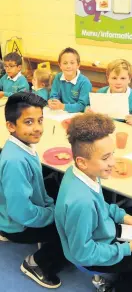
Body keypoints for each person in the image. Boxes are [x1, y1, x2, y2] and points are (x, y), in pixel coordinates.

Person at [55, 113, 132, 292]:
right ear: (82, 162)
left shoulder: (81, 173)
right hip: (96, 252)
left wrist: (124, 216)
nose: (113, 162)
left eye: (112, 154)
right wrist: (128, 249)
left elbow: (101, 206)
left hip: (103, 231)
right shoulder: (82, 203)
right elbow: (83, 253)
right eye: (105, 158)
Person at [0, 92, 66, 288]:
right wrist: (53, 214)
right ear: (11, 126)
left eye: (40, 120)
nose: (37, 128)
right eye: (29, 122)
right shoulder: (15, 162)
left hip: (14, 210)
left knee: (57, 187)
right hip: (17, 222)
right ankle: (37, 264)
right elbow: (21, 212)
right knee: (70, 227)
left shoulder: (21, 146)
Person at [92, 59, 132, 123]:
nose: (118, 82)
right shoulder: (100, 93)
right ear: (108, 78)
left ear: (129, 79)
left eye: (123, 78)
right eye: (114, 78)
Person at [48, 47, 92, 113]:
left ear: (78, 65)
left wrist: (62, 106)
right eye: (65, 63)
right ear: (60, 65)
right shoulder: (58, 77)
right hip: (61, 113)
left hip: (78, 114)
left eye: (72, 63)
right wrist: (52, 102)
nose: (68, 66)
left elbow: (82, 105)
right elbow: (54, 96)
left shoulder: (85, 83)